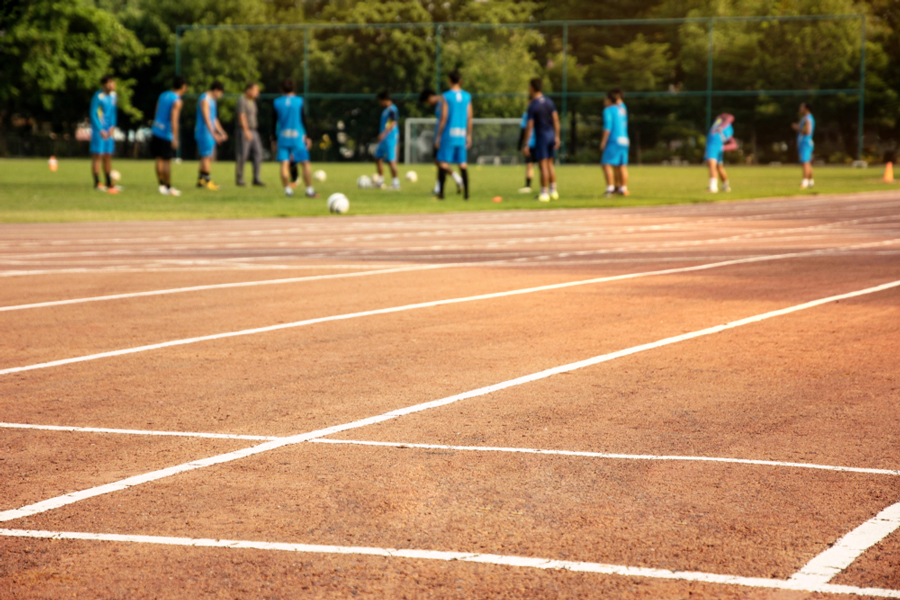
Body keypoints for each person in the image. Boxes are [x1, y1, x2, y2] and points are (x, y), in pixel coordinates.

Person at [273, 78, 317, 198]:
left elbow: (273, 122)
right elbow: (304, 119)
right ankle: (309, 190)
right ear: (294, 88)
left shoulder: (277, 102)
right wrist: (308, 136)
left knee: (284, 164)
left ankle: (287, 190)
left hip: (282, 137)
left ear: (281, 89)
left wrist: (273, 139)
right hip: (297, 138)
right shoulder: (299, 101)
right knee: (305, 164)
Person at [434, 70, 473, 200]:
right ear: (460, 81)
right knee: (462, 164)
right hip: (461, 134)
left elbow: (444, 116)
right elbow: (469, 117)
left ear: (449, 80)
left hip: (448, 134)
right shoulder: (467, 96)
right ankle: (466, 195)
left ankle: (441, 194)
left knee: (442, 162)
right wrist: (468, 135)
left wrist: (438, 135)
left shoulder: (446, 96)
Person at [522, 77, 560, 203]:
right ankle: (553, 191)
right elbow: (555, 120)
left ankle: (544, 193)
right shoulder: (549, 102)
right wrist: (557, 136)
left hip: (542, 136)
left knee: (542, 165)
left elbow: (530, 126)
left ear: (532, 88)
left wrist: (526, 143)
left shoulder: (533, 105)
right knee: (550, 164)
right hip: (551, 135)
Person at [419, 88, 463, 195]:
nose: (428, 104)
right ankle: (442, 186)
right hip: (441, 136)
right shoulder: (439, 105)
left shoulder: (443, 102)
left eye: (427, 101)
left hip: (444, 136)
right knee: (438, 161)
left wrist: (439, 136)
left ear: (430, 97)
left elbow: (445, 119)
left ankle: (455, 180)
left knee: (440, 162)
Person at [150, 76, 188, 196]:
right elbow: (174, 119)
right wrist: (175, 137)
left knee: (159, 159)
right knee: (167, 161)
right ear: (183, 87)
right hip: (166, 133)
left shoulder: (163, 95)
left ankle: (161, 185)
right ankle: (168, 186)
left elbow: (156, 112)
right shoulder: (177, 100)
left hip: (156, 129)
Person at [195, 81, 227, 190]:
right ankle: (208, 181)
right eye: (220, 93)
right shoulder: (205, 99)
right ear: (216, 90)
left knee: (206, 157)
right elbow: (206, 118)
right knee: (207, 156)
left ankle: (201, 180)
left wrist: (221, 131)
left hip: (208, 132)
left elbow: (214, 119)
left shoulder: (212, 101)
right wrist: (213, 133)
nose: (220, 96)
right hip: (204, 132)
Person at [89, 75, 120, 193]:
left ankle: (109, 183)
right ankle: (97, 183)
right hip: (99, 131)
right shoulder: (98, 96)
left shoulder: (113, 96)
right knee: (98, 156)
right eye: (109, 83)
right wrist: (100, 129)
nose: (111, 85)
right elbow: (93, 114)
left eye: (113, 82)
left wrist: (113, 126)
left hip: (109, 131)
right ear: (103, 85)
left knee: (108, 156)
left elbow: (113, 113)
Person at [600, 88, 629, 197]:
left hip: (614, 140)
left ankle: (609, 189)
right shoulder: (622, 109)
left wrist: (603, 142)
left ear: (608, 100)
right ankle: (622, 188)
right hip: (625, 140)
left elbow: (607, 127)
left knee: (606, 164)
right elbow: (620, 102)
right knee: (621, 165)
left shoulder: (608, 110)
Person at [235, 82, 265, 187]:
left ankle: (256, 178)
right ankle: (240, 179)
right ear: (249, 89)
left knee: (258, 153)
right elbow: (241, 116)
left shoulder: (252, 101)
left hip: (254, 130)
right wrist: (246, 131)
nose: (257, 93)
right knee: (243, 154)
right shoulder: (242, 100)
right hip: (244, 130)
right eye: (256, 90)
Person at [374, 91, 401, 190]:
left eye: (380, 101)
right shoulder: (386, 110)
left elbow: (393, 123)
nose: (379, 103)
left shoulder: (392, 109)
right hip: (384, 139)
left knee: (391, 160)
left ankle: (396, 184)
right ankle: (380, 181)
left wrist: (383, 133)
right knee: (377, 157)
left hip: (390, 138)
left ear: (384, 99)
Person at [704, 113, 737, 193]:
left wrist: (723, 148)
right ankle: (726, 186)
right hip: (714, 146)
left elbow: (734, 145)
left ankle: (713, 187)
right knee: (719, 167)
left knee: (712, 166)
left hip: (714, 146)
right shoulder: (719, 123)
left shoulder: (727, 126)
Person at [793, 102, 815, 189]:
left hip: (805, 143)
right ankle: (810, 182)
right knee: (807, 163)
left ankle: (804, 182)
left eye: (801, 107)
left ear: (806, 108)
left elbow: (808, 131)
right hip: (806, 142)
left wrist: (797, 128)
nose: (800, 109)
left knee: (805, 162)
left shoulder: (807, 118)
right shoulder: (806, 118)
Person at [518, 108, 536, 194]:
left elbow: (524, 130)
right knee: (544, 165)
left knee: (529, 165)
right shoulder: (545, 111)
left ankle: (528, 186)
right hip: (542, 142)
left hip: (531, 144)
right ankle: (548, 189)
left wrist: (521, 145)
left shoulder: (527, 114)